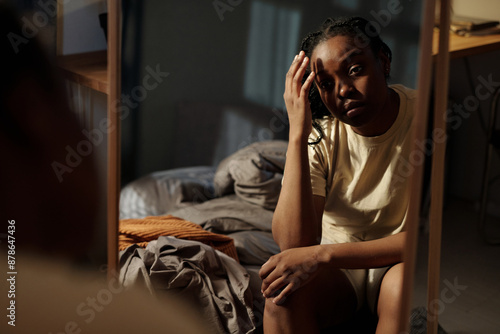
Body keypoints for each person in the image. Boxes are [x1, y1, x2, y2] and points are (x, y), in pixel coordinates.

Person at [259, 16, 416, 333]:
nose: (343, 89)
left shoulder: (428, 117)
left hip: (396, 260)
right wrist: (297, 137)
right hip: (340, 269)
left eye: (355, 70)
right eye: (326, 84)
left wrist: (323, 254)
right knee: (282, 294)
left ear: (383, 62)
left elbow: (429, 240)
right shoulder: (321, 134)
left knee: (404, 293)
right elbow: (293, 244)